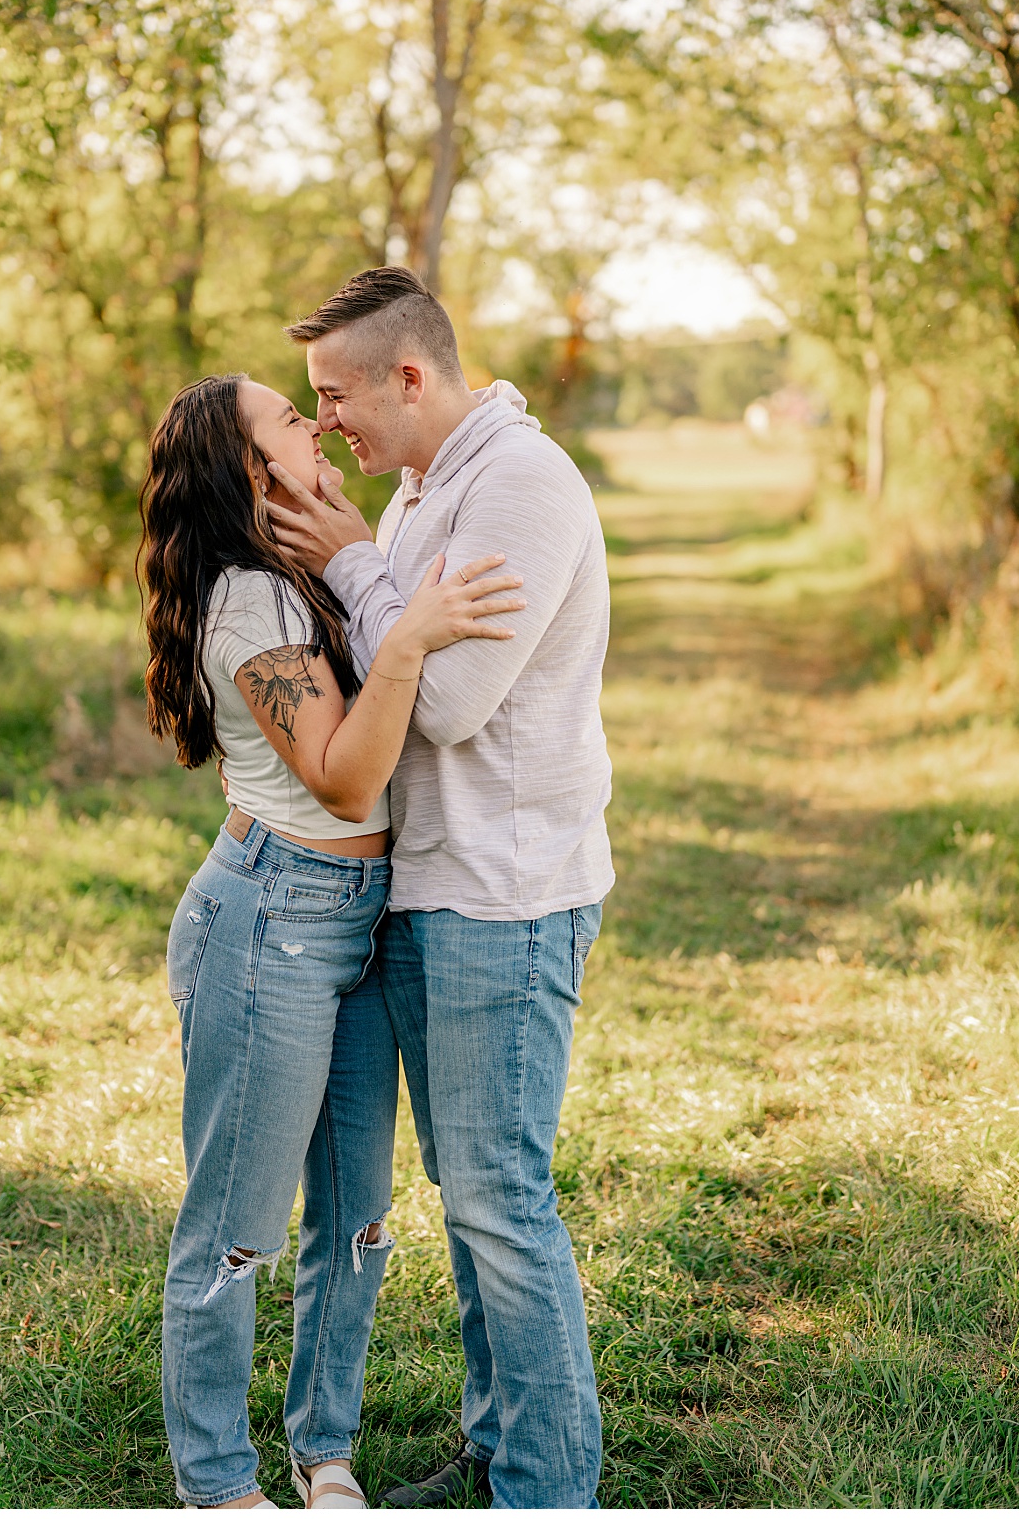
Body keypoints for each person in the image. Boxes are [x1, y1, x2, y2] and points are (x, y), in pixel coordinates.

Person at [138, 372, 525, 1512]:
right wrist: (409, 636)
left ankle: (325, 1453)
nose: (315, 427)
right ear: (249, 471)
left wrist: (368, 566)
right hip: (270, 926)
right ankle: (218, 1483)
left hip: (361, 923)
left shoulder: (297, 571)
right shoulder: (247, 601)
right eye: (289, 420)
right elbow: (349, 772)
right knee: (234, 1229)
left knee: (356, 1216)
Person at [266, 267, 614, 1510]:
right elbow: (388, 673)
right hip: (433, 889)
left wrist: (361, 566)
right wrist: (382, 573)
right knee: (469, 1199)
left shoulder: (521, 484)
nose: (329, 424)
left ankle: (546, 1484)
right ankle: (499, 1441)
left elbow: (449, 702)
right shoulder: (424, 491)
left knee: (500, 1199)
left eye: (336, 394)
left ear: (410, 376)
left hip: (503, 900)